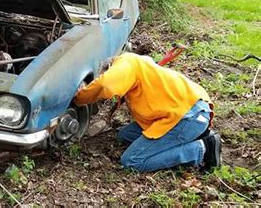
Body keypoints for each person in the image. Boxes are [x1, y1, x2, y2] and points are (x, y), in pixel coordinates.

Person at [73, 52, 221, 173]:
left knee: (131, 161)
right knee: (124, 135)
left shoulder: (126, 62)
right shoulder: (141, 65)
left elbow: (105, 85)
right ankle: (187, 138)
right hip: (183, 111)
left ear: (111, 68)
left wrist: (79, 97)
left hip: (188, 117)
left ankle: (201, 149)